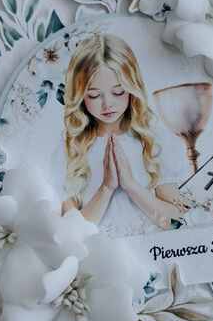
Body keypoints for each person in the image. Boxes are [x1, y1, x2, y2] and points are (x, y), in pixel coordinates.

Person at [59, 33, 185, 235]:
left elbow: (178, 220)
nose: (107, 104)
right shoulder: (70, 147)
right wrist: (106, 188)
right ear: (80, 95)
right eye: (94, 95)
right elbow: (71, 233)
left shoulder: (153, 140)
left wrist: (131, 186)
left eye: (118, 92)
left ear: (132, 88)